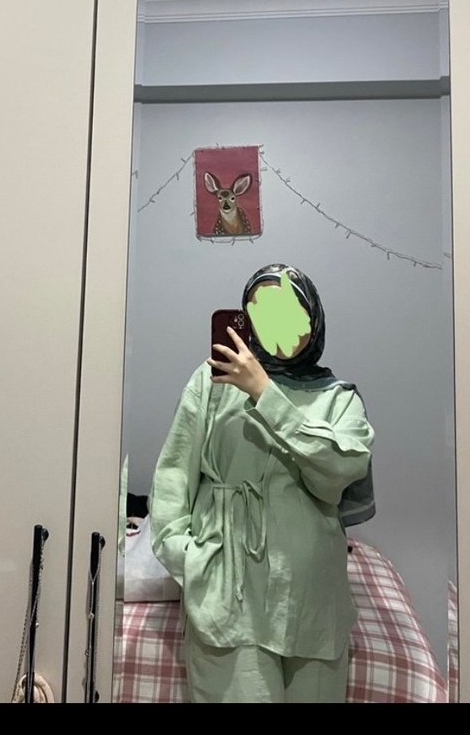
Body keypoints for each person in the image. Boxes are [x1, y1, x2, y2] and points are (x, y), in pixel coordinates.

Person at [148, 263, 374, 704]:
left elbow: (340, 469)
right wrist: (190, 560)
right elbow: (173, 475)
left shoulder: (339, 398)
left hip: (312, 599)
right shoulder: (211, 381)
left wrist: (264, 393)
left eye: (289, 311)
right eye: (262, 310)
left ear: (314, 319)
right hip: (227, 591)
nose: (276, 323)